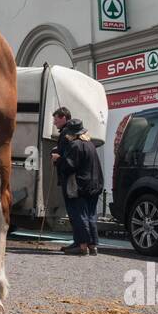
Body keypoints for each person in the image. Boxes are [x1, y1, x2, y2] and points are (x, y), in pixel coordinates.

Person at [51, 107, 104, 256]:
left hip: (80, 185)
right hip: (95, 184)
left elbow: (69, 165)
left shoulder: (75, 145)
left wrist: (58, 159)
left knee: (78, 215)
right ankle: (92, 246)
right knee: (91, 215)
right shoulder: (90, 144)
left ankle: (81, 246)